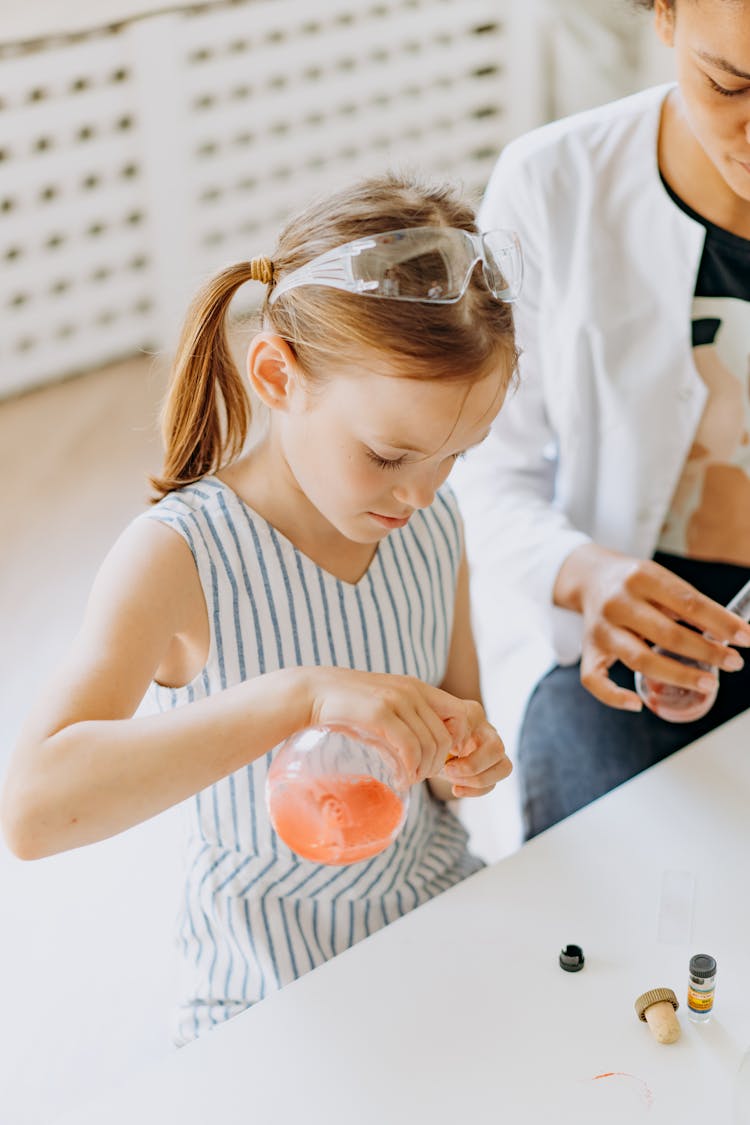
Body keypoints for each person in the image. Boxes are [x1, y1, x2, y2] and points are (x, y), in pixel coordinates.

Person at [0, 174, 520, 1044]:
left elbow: (447, 748)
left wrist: (463, 751)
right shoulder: (178, 555)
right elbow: (35, 810)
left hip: (434, 917)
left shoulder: (431, 523)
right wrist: (301, 695)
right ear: (278, 374)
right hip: (265, 982)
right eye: (390, 453)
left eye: (455, 457)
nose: (422, 493)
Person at [452, 0, 750, 841]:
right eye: (730, 83)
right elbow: (486, 476)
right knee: (612, 909)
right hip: (612, 656)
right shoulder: (553, 185)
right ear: (662, 14)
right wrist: (583, 573)